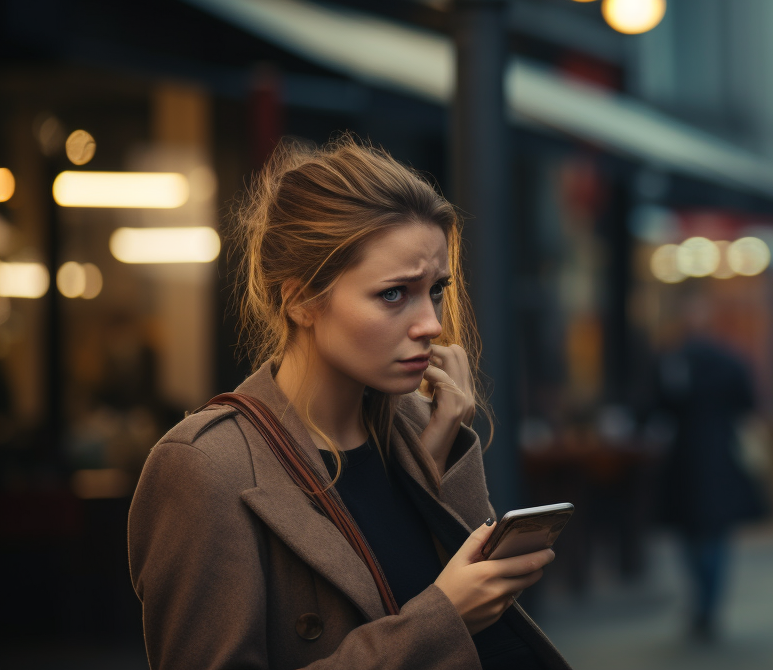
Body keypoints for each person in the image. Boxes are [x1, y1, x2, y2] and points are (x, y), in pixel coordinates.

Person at [128, 136, 570, 669]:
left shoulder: (411, 428)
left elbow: (483, 635)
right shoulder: (205, 467)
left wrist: (436, 455)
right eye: (393, 294)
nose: (431, 324)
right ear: (300, 300)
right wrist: (442, 617)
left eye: (434, 290)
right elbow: (442, 620)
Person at [653, 292, 766, 641]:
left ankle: (701, 603)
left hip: (683, 457)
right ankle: (708, 605)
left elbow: (655, 406)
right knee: (716, 534)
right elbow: (749, 404)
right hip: (721, 454)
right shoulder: (730, 360)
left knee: (690, 534)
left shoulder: (672, 360)